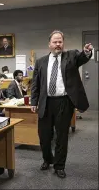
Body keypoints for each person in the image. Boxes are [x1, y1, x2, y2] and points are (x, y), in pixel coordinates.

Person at [31, 30, 93, 178]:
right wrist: (34, 101)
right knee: (44, 136)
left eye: (60, 42)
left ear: (63, 43)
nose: (58, 44)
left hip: (64, 102)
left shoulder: (71, 56)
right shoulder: (41, 62)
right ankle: (47, 159)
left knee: (61, 136)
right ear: (49, 44)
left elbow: (82, 57)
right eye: (55, 42)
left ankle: (59, 166)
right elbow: (36, 84)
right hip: (46, 102)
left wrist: (86, 52)